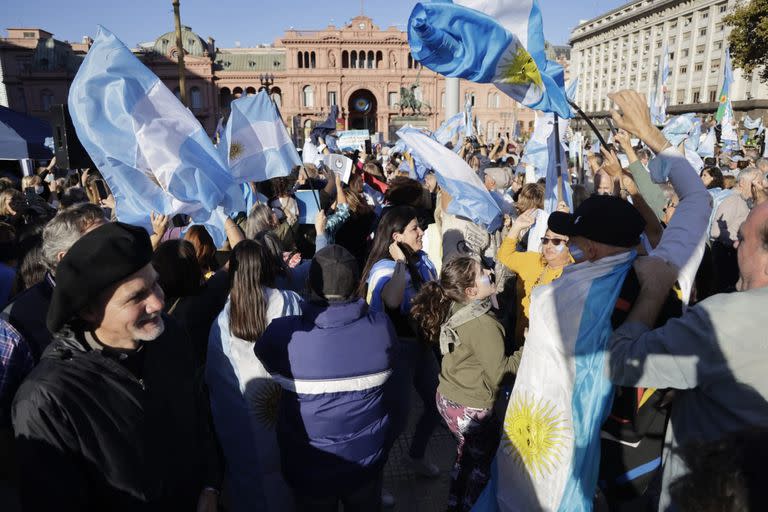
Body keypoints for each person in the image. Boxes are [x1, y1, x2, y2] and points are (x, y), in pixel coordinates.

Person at [11, 222, 220, 511]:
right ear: (88, 310)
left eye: (155, 283)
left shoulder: (169, 335)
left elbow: (198, 417)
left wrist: (210, 486)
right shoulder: (47, 399)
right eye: (136, 297)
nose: (158, 302)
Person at [254, 245, 400, 512]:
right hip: (364, 463)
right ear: (357, 284)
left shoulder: (283, 334)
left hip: (308, 465)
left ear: (309, 284)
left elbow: (265, 359)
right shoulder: (381, 328)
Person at [411, 256, 523, 512]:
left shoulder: (456, 305)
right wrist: (526, 349)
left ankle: (455, 500)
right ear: (471, 291)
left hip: (449, 399)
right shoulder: (483, 324)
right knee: (480, 469)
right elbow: (500, 374)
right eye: (481, 271)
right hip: (471, 407)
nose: (488, 270)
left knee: (466, 457)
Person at [206, 238, 302, 512]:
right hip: (287, 418)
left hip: (245, 433)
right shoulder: (290, 302)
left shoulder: (220, 325)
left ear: (233, 272)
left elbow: (217, 383)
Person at [359, 205, 441, 480]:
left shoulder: (423, 260)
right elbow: (393, 300)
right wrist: (400, 264)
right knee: (396, 421)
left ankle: (415, 455)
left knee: (437, 405)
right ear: (396, 237)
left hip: (423, 348)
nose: (421, 232)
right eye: (414, 228)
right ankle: (373, 480)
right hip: (397, 353)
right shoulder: (384, 268)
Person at [2, 203, 107, 361]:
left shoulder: (118, 291)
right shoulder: (15, 326)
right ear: (66, 258)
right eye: (103, 245)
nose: (117, 249)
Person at [497, 209, 572, 346]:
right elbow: (504, 256)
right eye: (545, 240)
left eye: (556, 241)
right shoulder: (535, 260)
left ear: (569, 244)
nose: (549, 245)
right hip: (519, 346)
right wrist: (517, 227)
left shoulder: (574, 273)